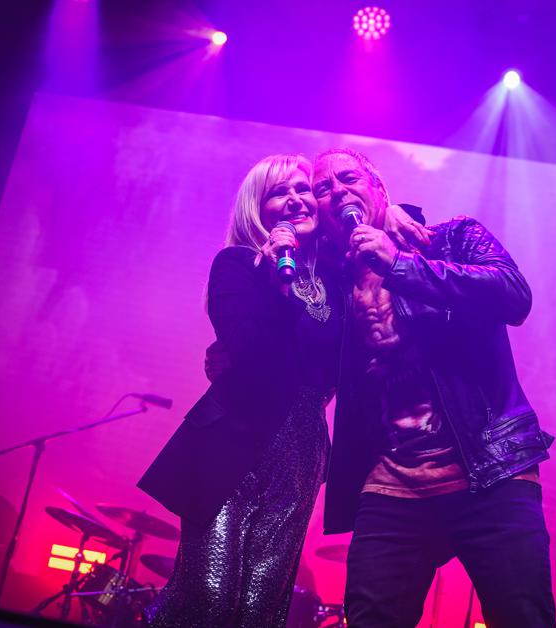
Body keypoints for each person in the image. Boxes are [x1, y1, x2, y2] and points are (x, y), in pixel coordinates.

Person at [137, 153, 428, 627]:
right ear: (257, 208)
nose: (295, 200)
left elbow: (375, 226)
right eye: (279, 192)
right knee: (208, 595)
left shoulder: (333, 274)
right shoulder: (237, 265)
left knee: (263, 603)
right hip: (235, 439)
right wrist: (276, 280)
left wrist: (395, 211)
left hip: (302, 448)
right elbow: (250, 350)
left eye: (302, 189)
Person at [312, 148, 556, 628]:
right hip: (392, 485)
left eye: (349, 179)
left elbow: (514, 295)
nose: (338, 191)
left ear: (380, 190)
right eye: (324, 188)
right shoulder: (331, 285)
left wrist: (399, 263)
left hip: (490, 472)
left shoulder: (451, 239)